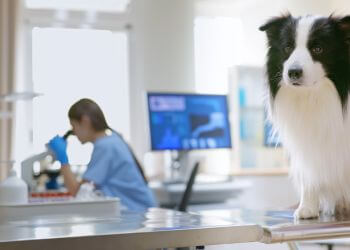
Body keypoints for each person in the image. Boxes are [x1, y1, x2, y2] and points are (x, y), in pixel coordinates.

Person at [48, 98, 157, 211]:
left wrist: (63, 158)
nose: (73, 132)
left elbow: (78, 192)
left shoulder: (105, 147)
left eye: (73, 125)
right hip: (139, 212)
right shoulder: (113, 139)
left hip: (137, 214)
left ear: (85, 121)